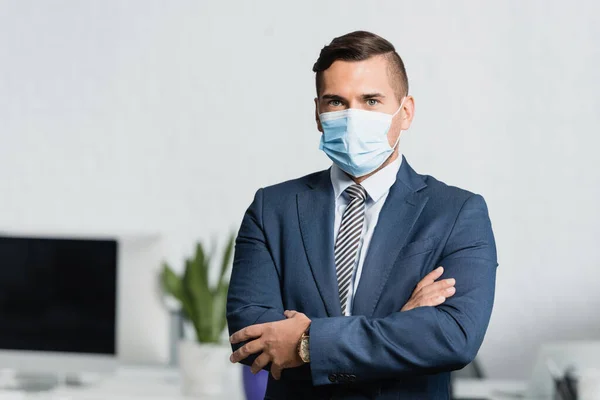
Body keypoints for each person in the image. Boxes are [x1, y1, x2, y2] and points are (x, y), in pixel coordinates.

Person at [227, 30, 497, 399]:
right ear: (318, 114)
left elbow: (453, 337)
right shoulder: (271, 209)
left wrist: (308, 342)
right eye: (336, 102)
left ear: (406, 112)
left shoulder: (456, 213)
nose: (352, 117)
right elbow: (252, 335)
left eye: (371, 101)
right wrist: (400, 325)